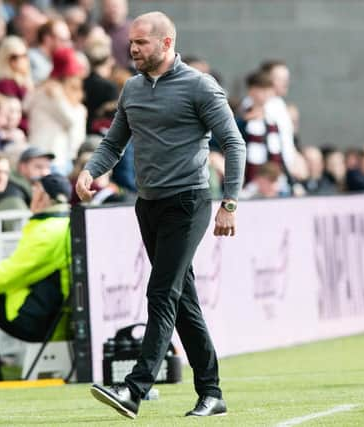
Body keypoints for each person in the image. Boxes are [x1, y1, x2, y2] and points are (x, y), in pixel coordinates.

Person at [76, 11, 246, 419]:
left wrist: (229, 203)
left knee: (161, 293)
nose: (132, 48)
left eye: (141, 43)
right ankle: (212, 393)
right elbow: (114, 142)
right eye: (131, 42)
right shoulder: (132, 88)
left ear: (167, 43)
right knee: (182, 301)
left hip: (188, 202)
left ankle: (135, 389)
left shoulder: (200, 87)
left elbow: (234, 145)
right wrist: (89, 170)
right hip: (148, 204)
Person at [0, 173, 72, 381]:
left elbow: (11, 273)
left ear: (44, 197)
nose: (31, 196)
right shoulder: (61, 224)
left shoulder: (48, 231)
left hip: (38, 320)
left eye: (35, 190)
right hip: (52, 315)